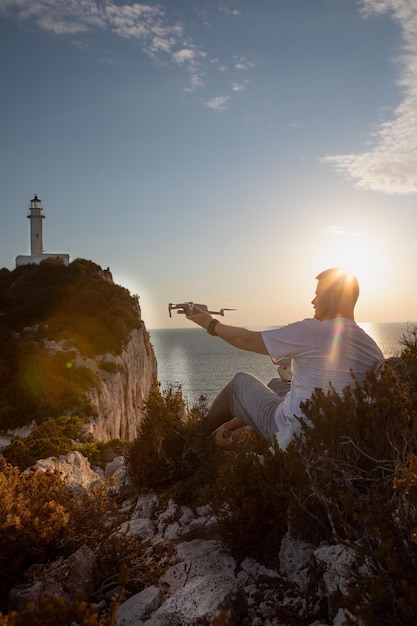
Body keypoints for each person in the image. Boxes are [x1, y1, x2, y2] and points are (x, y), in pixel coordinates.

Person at [186, 268, 384, 450]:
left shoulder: (312, 330)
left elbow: (247, 339)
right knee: (276, 384)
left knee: (239, 384)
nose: (313, 301)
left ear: (334, 296)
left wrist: (210, 324)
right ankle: (229, 426)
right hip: (333, 438)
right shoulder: (371, 346)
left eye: (318, 294)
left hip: (291, 433)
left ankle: (193, 440)